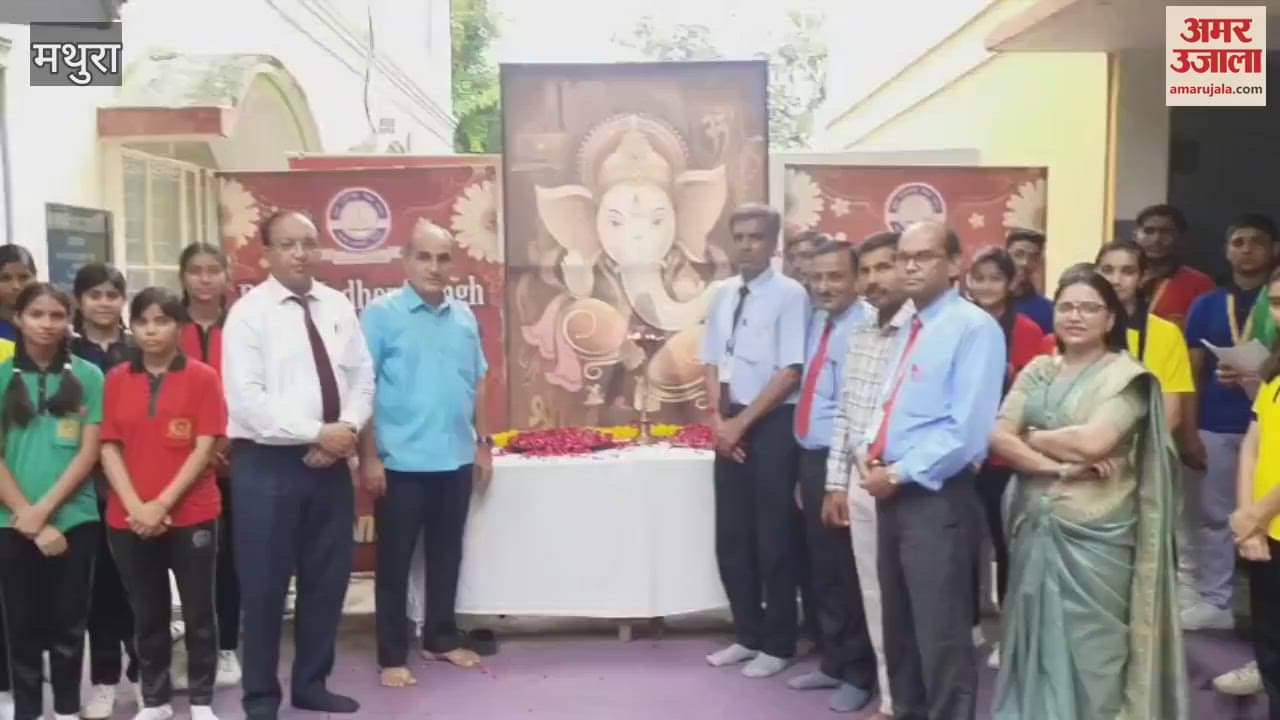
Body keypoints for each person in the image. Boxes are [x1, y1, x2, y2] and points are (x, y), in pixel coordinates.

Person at [989, 266, 1187, 719]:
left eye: (1090, 308)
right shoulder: (1039, 369)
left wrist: (1034, 434)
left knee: (1093, 649)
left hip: (1097, 535)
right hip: (1033, 521)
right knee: (1030, 638)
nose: (1076, 316)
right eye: (1067, 306)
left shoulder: (1127, 377)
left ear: (1110, 318)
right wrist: (1058, 469)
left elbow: (1093, 441)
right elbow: (998, 436)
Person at [222, 210, 375, 720]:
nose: (300, 253)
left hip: (330, 463)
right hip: (267, 466)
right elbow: (247, 403)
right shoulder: (248, 314)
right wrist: (317, 433)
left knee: (327, 581)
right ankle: (261, 698)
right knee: (264, 588)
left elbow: (362, 379)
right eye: (287, 244)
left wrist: (345, 430)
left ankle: (312, 683)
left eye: (308, 243)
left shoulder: (336, 305)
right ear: (266, 253)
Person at [858, 222, 1003, 720]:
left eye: (924, 256)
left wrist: (897, 473)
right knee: (899, 630)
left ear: (955, 264)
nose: (911, 266)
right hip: (892, 491)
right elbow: (893, 402)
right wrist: (867, 449)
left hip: (936, 497)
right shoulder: (911, 325)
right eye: (904, 257)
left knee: (940, 637)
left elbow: (967, 432)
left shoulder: (973, 328)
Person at [360, 220, 492, 688]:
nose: (434, 268)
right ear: (406, 260)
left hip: (454, 458)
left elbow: (477, 382)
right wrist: (370, 456)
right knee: (394, 563)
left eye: (443, 258)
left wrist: (483, 444)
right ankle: (392, 653)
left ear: (453, 264)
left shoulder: (464, 318)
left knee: (446, 555)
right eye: (424, 257)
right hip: (400, 463)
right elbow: (362, 389)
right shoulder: (380, 315)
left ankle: (440, 637)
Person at [100, 287, 226, 720]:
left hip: (192, 514)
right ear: (131, 327)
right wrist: (138, 506)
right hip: (128, 519)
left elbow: (204, 446)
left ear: (180, 326)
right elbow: (108, 447)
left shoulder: (203, 377)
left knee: (199, 614)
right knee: (148, 615)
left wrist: (163, 503)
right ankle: (154, 701)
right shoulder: (116, 378)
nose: (151, 331)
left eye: (162, 321)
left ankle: (202, 700)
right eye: (143, 322)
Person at [700, 202, 808, 678]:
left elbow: (791, 371)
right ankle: (747, 633)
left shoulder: (791, 295)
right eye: (739, 236)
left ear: (773, 242)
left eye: (756, 237)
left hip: (772, 424)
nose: (746, 245)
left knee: (774, 539)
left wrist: (740, 427)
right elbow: (710, 361)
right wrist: (718, 419)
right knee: (732, 537)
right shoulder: (722, 293)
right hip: (729, 422)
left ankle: (779, 642)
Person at [0, 283, 106, 720]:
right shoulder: (3, 373)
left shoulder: (89, 376)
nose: (47, 324)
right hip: (11, 521)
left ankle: (65, 710)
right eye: (37, 314)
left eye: (56, 316)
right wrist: (27, 515)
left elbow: (89, 452)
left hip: (75, 519)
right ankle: (27, 710)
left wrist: (46, 514)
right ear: (19, 319)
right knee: (20, 626)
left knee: (69, 625)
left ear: (70, 320)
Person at [823, 230, 912, 720]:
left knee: (913, 600)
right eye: (867, 270)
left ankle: (913, 698)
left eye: (886, 267)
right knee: (874, 595)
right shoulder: (859, 333)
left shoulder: (923, 330)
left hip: (906, 480)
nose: (874, 279)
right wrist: (837, 481)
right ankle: (892, 698)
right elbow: (844, 413)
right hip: (860, 481)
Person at [787, 239, 876, 713]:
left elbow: (852, 411)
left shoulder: (864, 328)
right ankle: (833, 663)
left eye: (835, 276)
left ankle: (860, 674)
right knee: (822, 571)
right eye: (817, 277)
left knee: (849, 572)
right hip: (811, 458)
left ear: (858, 277)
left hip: (841, 462)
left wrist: (837, 480)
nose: (823, 286)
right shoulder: (820, 322)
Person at [1180, 214, 1277, 633]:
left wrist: (1256, 380)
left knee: (1265, 518)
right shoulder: (1207, 302)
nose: (1246, 249)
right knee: (1219, 515)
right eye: (1238, 241)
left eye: (1257, 242)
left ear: (1273, 250)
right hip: (1219, 423)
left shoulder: (1273, 302)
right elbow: (1191, 372)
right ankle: (1216, 600)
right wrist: (1190, 431)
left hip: (1268, 426)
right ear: (1226, 250)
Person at [963, 246, 1047, 668]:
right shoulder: (957, 324)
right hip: (961, 456)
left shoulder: (1029, 330)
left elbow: (1032, 397)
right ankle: (968, 625)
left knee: (1005, 546)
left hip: (1003, 457)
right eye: (977, 278)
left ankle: (1009, 633)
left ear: (1011, 282)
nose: (985, 287)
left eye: (994, 278)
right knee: (959, 545)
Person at [69, 263, 141, 720]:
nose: (103, 302)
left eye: (112, 294)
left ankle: (145, 673)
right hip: (84, 488)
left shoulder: (139, 349)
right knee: (99, 591)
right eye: (94, 294)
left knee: (141, 586)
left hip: (136, 483)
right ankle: (104, 679)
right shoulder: (65, 351)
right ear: (78, 300)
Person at [177, 242, 241, 689]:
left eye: (212, 270)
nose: (204, 279)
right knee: (186, 560)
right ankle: (186, 645)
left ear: (226, 275)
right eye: (195, 270)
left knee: (230, 560)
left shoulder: (244, 323)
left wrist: (227, 440)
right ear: (183, 276)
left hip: (236, 460)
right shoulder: (166, 322)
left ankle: (227, 648)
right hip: (177, 463)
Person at [1228, 267, 1280, 714]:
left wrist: (1255, 514)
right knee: (1269, 647)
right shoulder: (1274, 367)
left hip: (1268, 520)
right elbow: (1253, 443)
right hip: (1267, 533)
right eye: (1277, 304)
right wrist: (1249, 522)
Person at [1090, 240, 1196, 431]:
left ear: (1143, 276)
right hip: (1082, 446)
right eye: (1107, 270)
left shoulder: (1166, 333)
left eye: (1127, 271)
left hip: (1144, 449)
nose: (1116, 279)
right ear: (1095, 273)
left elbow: (1171, 415)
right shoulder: (1080, 326)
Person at [1134, 204, 1215, 329]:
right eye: (1149, 231)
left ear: (1180, 237)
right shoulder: (1120, 278)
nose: (1156, 239)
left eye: (1166, 232)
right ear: (1136, 235)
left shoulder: (1200, 283)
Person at [1006, 230, 1053, 334]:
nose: (1025, 263)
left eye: (1033, 257)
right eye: (1018, 254)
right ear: (1006, 255)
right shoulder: (989, 302)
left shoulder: (1048, 310)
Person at [0, 245, 36, 342]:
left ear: (35, 279)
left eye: (24, 277)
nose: (16, 286)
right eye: (5, 278)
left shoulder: (51, 323)